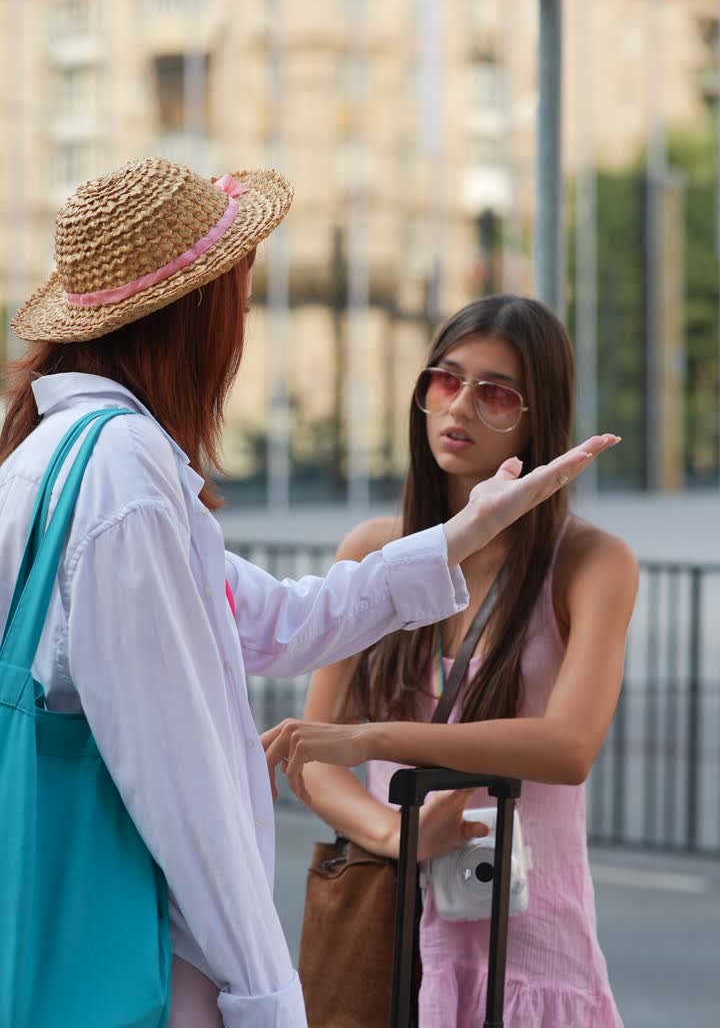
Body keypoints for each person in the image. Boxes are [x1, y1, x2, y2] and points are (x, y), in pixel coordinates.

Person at [0, 165, 617, 1028]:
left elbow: (275, 619)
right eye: (238, 298)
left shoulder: (55, 455)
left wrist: (461, 533)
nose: (244, 323)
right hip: (140, 951)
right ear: (192, 315)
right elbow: (181, 781)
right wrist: (263, 994)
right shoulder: (124, 477)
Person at [265, 295, 636, 1027]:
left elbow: (569, 747)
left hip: (527, 949)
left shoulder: (590, 562)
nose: (460, 406)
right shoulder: (376, 551)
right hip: (389, 937)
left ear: (536, 418)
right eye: (446, 380)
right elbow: (314, 760)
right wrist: (395, 835)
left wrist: (374, 739)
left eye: (495, 393)